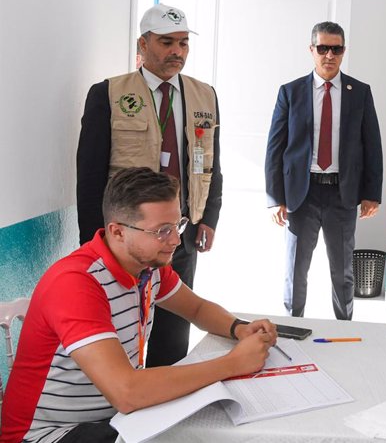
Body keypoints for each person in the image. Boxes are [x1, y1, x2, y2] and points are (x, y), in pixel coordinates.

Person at [0, 167, 275, 443]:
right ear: (118, 232)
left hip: (113, 419)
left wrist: (239, 328)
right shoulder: (77, 283)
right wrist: (232, 364)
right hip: (46, 435)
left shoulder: (148, 266)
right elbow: (127, 393)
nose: (176, 240)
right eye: (162, 231)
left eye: (177, 224)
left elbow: (197, 309)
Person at [76, 3, 222, 367]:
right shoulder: (108, 93)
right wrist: (91, 239)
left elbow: (211, 162)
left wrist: (209, 217)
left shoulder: (205, 95)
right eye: (166, 42)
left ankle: (165, 404)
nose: (177, 51)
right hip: (124, 238)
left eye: (184, 43)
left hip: (179, 235)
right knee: (120, 330)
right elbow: (90, 173)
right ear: (142, 44)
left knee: (174, 331)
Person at [264, 21, 383, 320]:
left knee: (343, 269)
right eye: (323, 48)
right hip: (300, 195)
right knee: (296, 268)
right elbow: (275, 149)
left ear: (343, 51)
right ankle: (293, 323)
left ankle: (344, 324)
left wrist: (371, 194)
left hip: (341, 194)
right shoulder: (290, 93)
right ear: (311, 50)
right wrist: (274, 197)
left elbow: (372, 146)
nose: (329, 55)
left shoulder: (360, 93)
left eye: (336, 49)